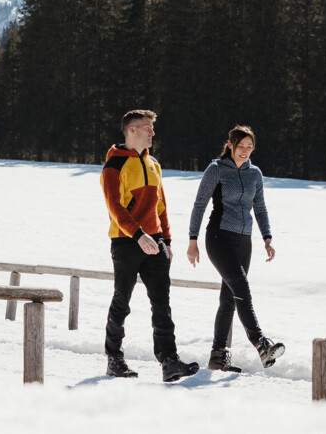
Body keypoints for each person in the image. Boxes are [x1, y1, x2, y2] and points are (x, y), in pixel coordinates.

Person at [101, 109, 199, 382]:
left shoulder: (154, 164)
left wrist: (166, 240)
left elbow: (161, 206)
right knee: (122, 301)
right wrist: (137, 235)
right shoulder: (114, 166)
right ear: (131, 130)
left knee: (162, 304)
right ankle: (114, 358)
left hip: (154, 242)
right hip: (126, 241)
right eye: (147, 128)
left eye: (152, 128)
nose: (152, 132)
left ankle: (169, 361)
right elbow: (115, 207)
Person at [186, 124, 284, 372]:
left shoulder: (255, 174)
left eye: (250, 147)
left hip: (244, 241)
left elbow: (260, 207)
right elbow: (199, 204)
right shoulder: (216, 170)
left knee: (229, 298)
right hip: (219, 238)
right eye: (241, 146)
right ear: (230, 145)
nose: (245, 151)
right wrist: (193, 240)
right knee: (241, 287)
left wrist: (267, 238)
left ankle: (218, 355)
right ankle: (261, 343)